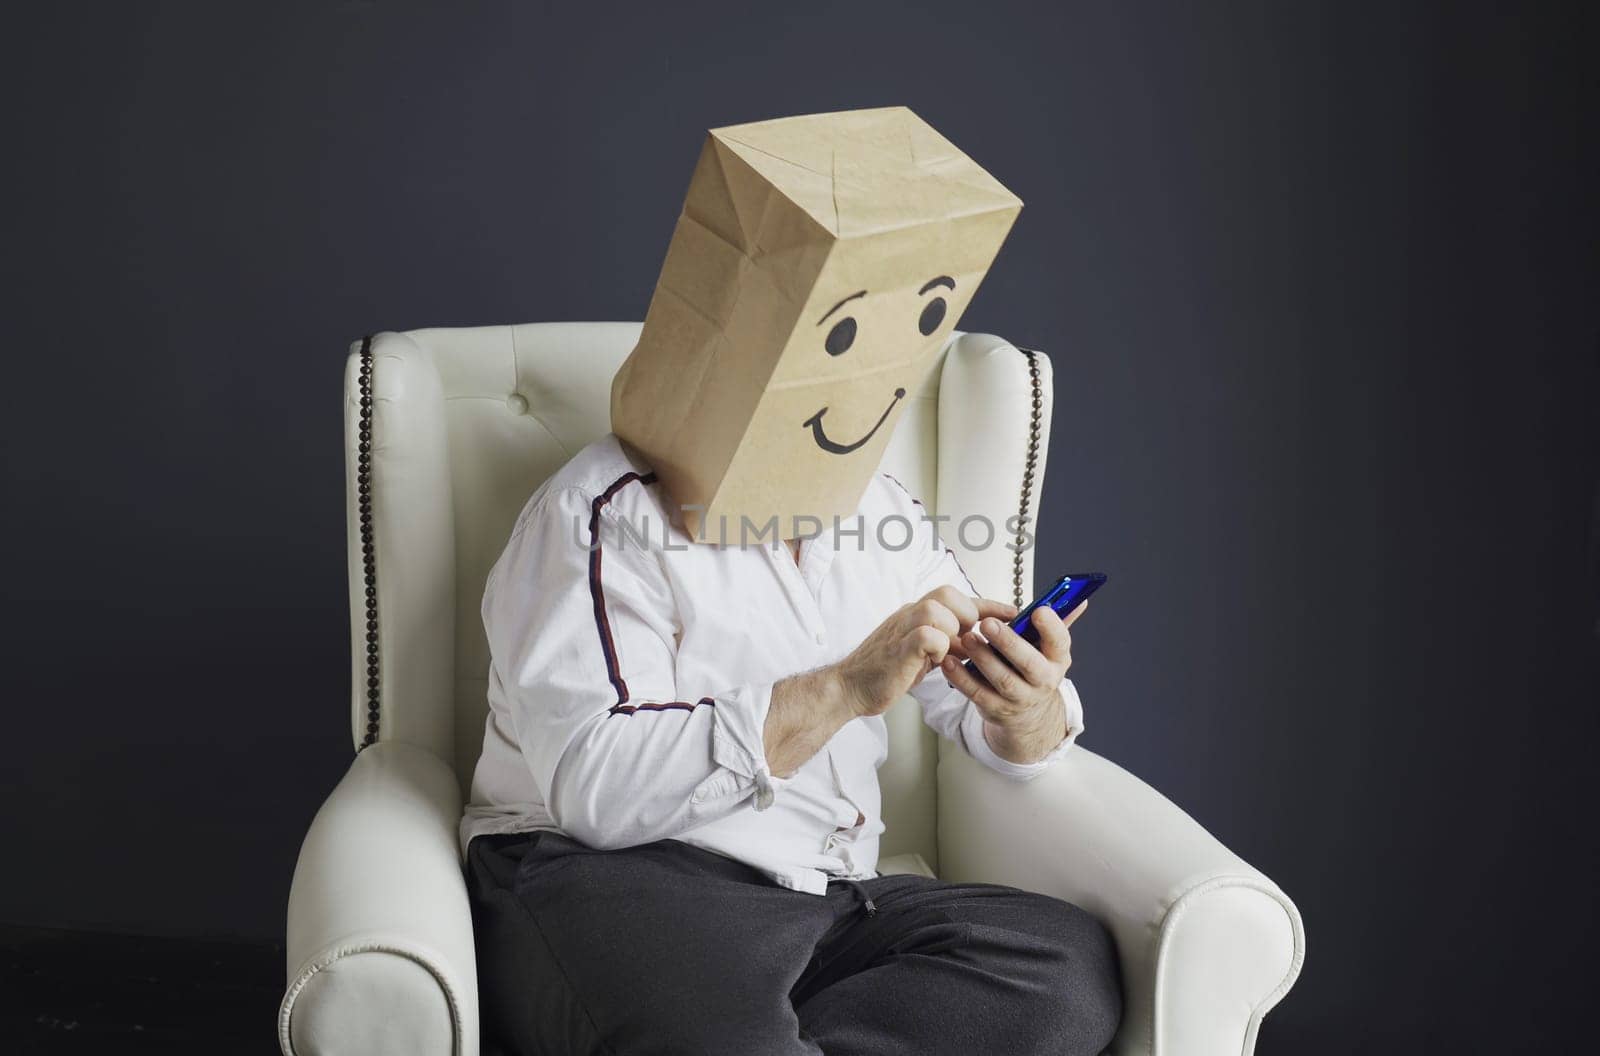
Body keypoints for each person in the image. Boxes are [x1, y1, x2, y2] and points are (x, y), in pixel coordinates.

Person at [460, 107, 1122, 1055]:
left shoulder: (878, 508)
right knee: (713, 1026)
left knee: (1060, 972)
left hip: (825, 897)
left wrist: (1024, 708)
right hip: (612, 875)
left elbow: (969, 710)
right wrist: (846, 687)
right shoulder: (596, 515)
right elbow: (595, 793)